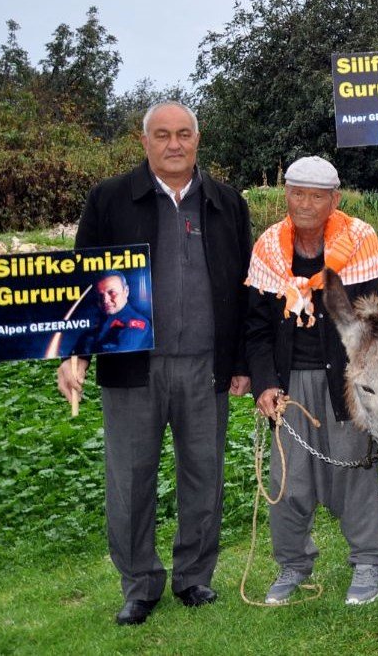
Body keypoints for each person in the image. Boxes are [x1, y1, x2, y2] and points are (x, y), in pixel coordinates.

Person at [55, 101, 252, 626]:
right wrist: (74, 352)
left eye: (183, 134)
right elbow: (82, 288)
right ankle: (140, 585)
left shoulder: (226, 203)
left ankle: (193, 578)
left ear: (197, 139)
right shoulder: (110, 200)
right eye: (162, 135)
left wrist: (242, 362)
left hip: (206, 365)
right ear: (144, 142)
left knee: (204, 477)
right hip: (131, 367)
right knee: (130, 479)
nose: (174, 144)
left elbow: (245, 289)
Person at [244, 156, 378, 605]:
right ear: (284, 194)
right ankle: (292, 564)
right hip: (290, 381)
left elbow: (377, 321)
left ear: (335, 199)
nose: (305, 204)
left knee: (353, 469)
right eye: (297, 193)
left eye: (316, 195)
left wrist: (374, 383)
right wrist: (265, 384)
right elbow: (256, 329)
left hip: (346, 379)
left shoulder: (360, 240)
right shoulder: (268, 248)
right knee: (287, 479)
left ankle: (368, 563)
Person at [72, 273, 153, 357]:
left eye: (112, 292)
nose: (105, 300)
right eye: (100, 295)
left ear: (126, 291)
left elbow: (116, 356)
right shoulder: (97, 323)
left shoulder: (137, 323)